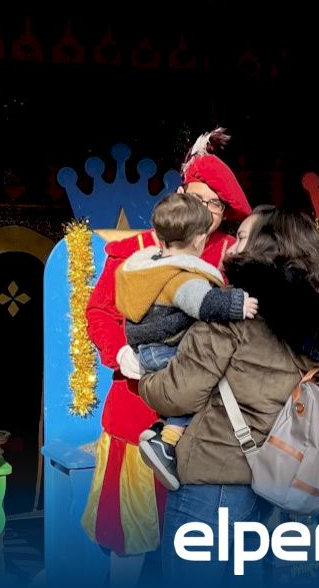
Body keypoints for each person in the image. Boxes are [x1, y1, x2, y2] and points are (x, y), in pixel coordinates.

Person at [135, 209, 319, 583]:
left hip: (212, 475)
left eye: (242, 237)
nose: (232, 246)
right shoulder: (317, 324)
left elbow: (178, 394)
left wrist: (144, 375)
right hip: (267, 477)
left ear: (267, 247)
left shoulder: (234, 311)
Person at [80, 128, 252, 583]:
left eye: (215, 204)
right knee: (130, 539)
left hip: (207, 425)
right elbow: (100, 311)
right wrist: (119, 351)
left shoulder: (236, 257)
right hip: (137, 410)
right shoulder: (135, 251)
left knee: (200, 548)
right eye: (197, 198)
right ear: (180, 195)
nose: (205, 211)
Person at [115, 194, 259, 491]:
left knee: (182, 391)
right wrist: (238, 304)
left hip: (147, 351)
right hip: (168, 350)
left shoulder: (147, 268)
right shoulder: (181, 276)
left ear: (159, 236)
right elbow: (202, 303)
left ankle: (160, 429)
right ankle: (166, 444)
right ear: (199, 240)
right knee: (199, 386)